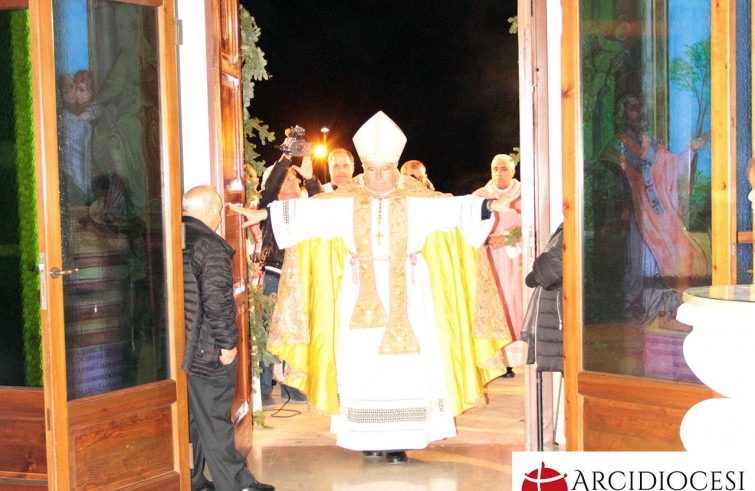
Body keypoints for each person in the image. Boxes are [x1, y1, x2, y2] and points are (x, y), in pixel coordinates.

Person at [231, 111, 513, 464]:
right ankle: (368, 437)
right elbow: (309, 216)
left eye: (386, 169)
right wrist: (263, 215)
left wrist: (487, 206)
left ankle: (401, 442)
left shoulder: (416, 199)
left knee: (408, 369)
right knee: (361, 366)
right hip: (358, 297)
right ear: (366, 167)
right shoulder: (347, 199)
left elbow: (454, 209)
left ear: (394, 167)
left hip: (409, 298)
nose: (379, 177)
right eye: (374, 169)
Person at [182, 185, 274, 491]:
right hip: (205, 347)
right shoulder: (210, 244)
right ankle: (235, 484)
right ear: (209, 210)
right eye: (218, 210)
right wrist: (227, 343)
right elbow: (217, 301)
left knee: (192, 420)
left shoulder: (171, 238)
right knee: (214, 416)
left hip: (177, 348)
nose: (219, 217)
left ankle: (193, 480)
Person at [594, 95, 709, 328]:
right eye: (634, 109)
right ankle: (642, 322)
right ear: (621, 116)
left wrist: (692, 149)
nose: (641, 113)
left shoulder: (652, 147)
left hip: (659, 219)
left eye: (641, 108)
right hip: (632, 222)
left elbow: (674, 167)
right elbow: (607, 186)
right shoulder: (615, 148)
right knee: (641, 270)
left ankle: (662, 320)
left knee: (686, 257)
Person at [254, 151, 322, 409]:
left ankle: (293, 387)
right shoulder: (269, 208)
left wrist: (311, 179)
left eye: (295, 181)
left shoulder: (306, 207)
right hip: (275, 276)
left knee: (298, 332)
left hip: (303, 278)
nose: (292, 184)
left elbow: (325, 206)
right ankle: (262, 390)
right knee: (269, 330)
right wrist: (285, 160)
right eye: (286, 181)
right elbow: (269, 189)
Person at [473, 154, 523, 377]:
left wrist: (510, 238)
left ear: (513, 171)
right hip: (490, 260)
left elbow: (534, 223)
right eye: (495, 168)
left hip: (517, 261)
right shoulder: (481, 196)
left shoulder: (525, 194)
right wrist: (486, 238)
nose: (499, 173)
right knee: (495, 306)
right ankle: (501, 360)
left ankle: (519, 356)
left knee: (515, 303)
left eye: (504, 168)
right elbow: (469, 224)